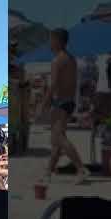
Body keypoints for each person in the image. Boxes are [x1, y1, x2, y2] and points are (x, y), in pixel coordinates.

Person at [42, 28, 87, 184]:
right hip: (69, 102)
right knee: (56, 140)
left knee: (59, 138)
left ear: (58, 41)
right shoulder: (71, 59)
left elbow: (53, 85)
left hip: (60, 103)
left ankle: (81, 169)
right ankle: (48, 173)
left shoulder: (57, 60)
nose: (49, 43)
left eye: (51, 39)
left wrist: (44, 105)